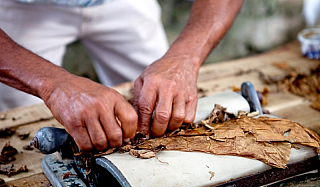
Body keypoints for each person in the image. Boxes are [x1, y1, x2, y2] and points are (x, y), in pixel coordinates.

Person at [0, 0, 244, 151]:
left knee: (163, 102)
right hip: (23, 7)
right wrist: (52, 86)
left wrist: (186, 58)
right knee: (21, 121)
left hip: (122, 4)